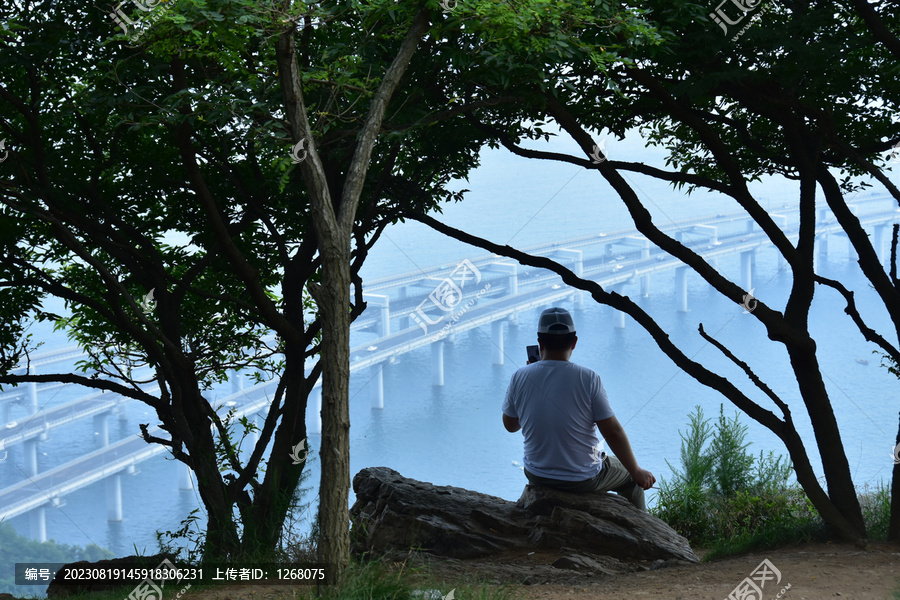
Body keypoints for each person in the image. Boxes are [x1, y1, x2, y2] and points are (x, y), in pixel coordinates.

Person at [501, 307, 656, 511]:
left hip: (537, 474)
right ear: (574, 342)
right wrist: (636, 471)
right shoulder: (588, 378)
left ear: (540, 343)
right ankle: (643, 533)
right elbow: (612, 432)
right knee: (629, 476)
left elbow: (511, 425)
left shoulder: (519, 376)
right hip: (582, 478)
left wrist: (529, 385)